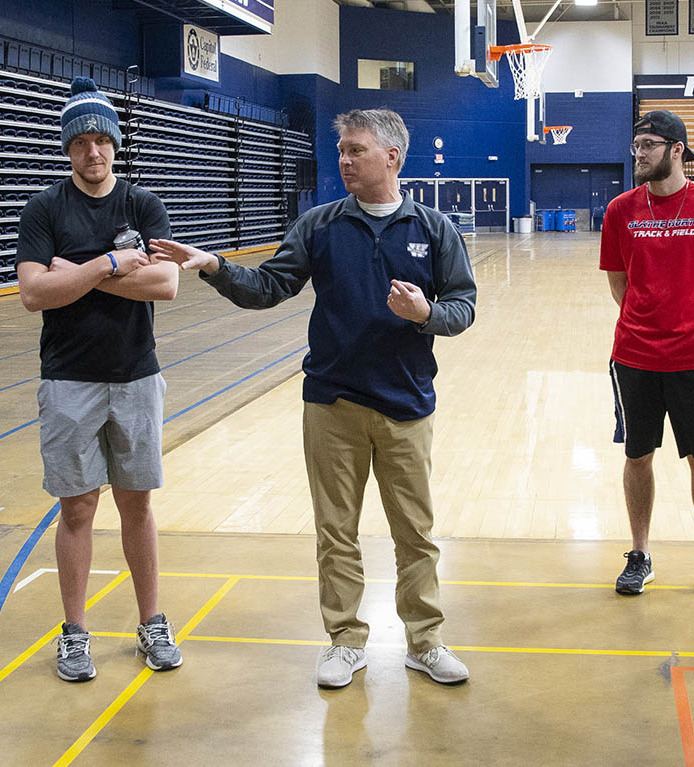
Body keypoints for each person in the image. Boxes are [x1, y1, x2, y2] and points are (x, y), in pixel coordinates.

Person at [149, 108, 477, 689]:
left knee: (416, 534)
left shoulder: (433, 229)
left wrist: (425, 314)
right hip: (332, 404)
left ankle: (424, 641)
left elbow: (463, 308)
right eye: (343, 150)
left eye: (357, 150)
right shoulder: (320, 225)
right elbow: (270, 287)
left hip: (406, 404)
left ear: (392, 158)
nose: (344, 160)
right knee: (336, 531)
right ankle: (345, 641)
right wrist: (215, 267)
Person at [16, 76, 183, 683]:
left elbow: (164, 284)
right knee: (79, 508)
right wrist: (111, 264)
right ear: (68, 148)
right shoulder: (45, 209)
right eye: (82, 141)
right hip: (68, 381)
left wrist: (79, 274)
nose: (94, 152)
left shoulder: (142, 206)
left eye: (102, 140)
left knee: (136, 505)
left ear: (116, 144)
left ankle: (151, 623)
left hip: (137, 376)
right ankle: (75, 633)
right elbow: (35, 293)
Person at [601, 110, 694, 600]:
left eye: (648, 145)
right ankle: (639, 554)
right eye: (636, 145)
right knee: (637, 454)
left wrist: (691, 329)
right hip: (633, 356)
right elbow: (619, 284)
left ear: (676, 150)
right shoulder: (621, 210)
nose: (638, 153)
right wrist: (649, 324)